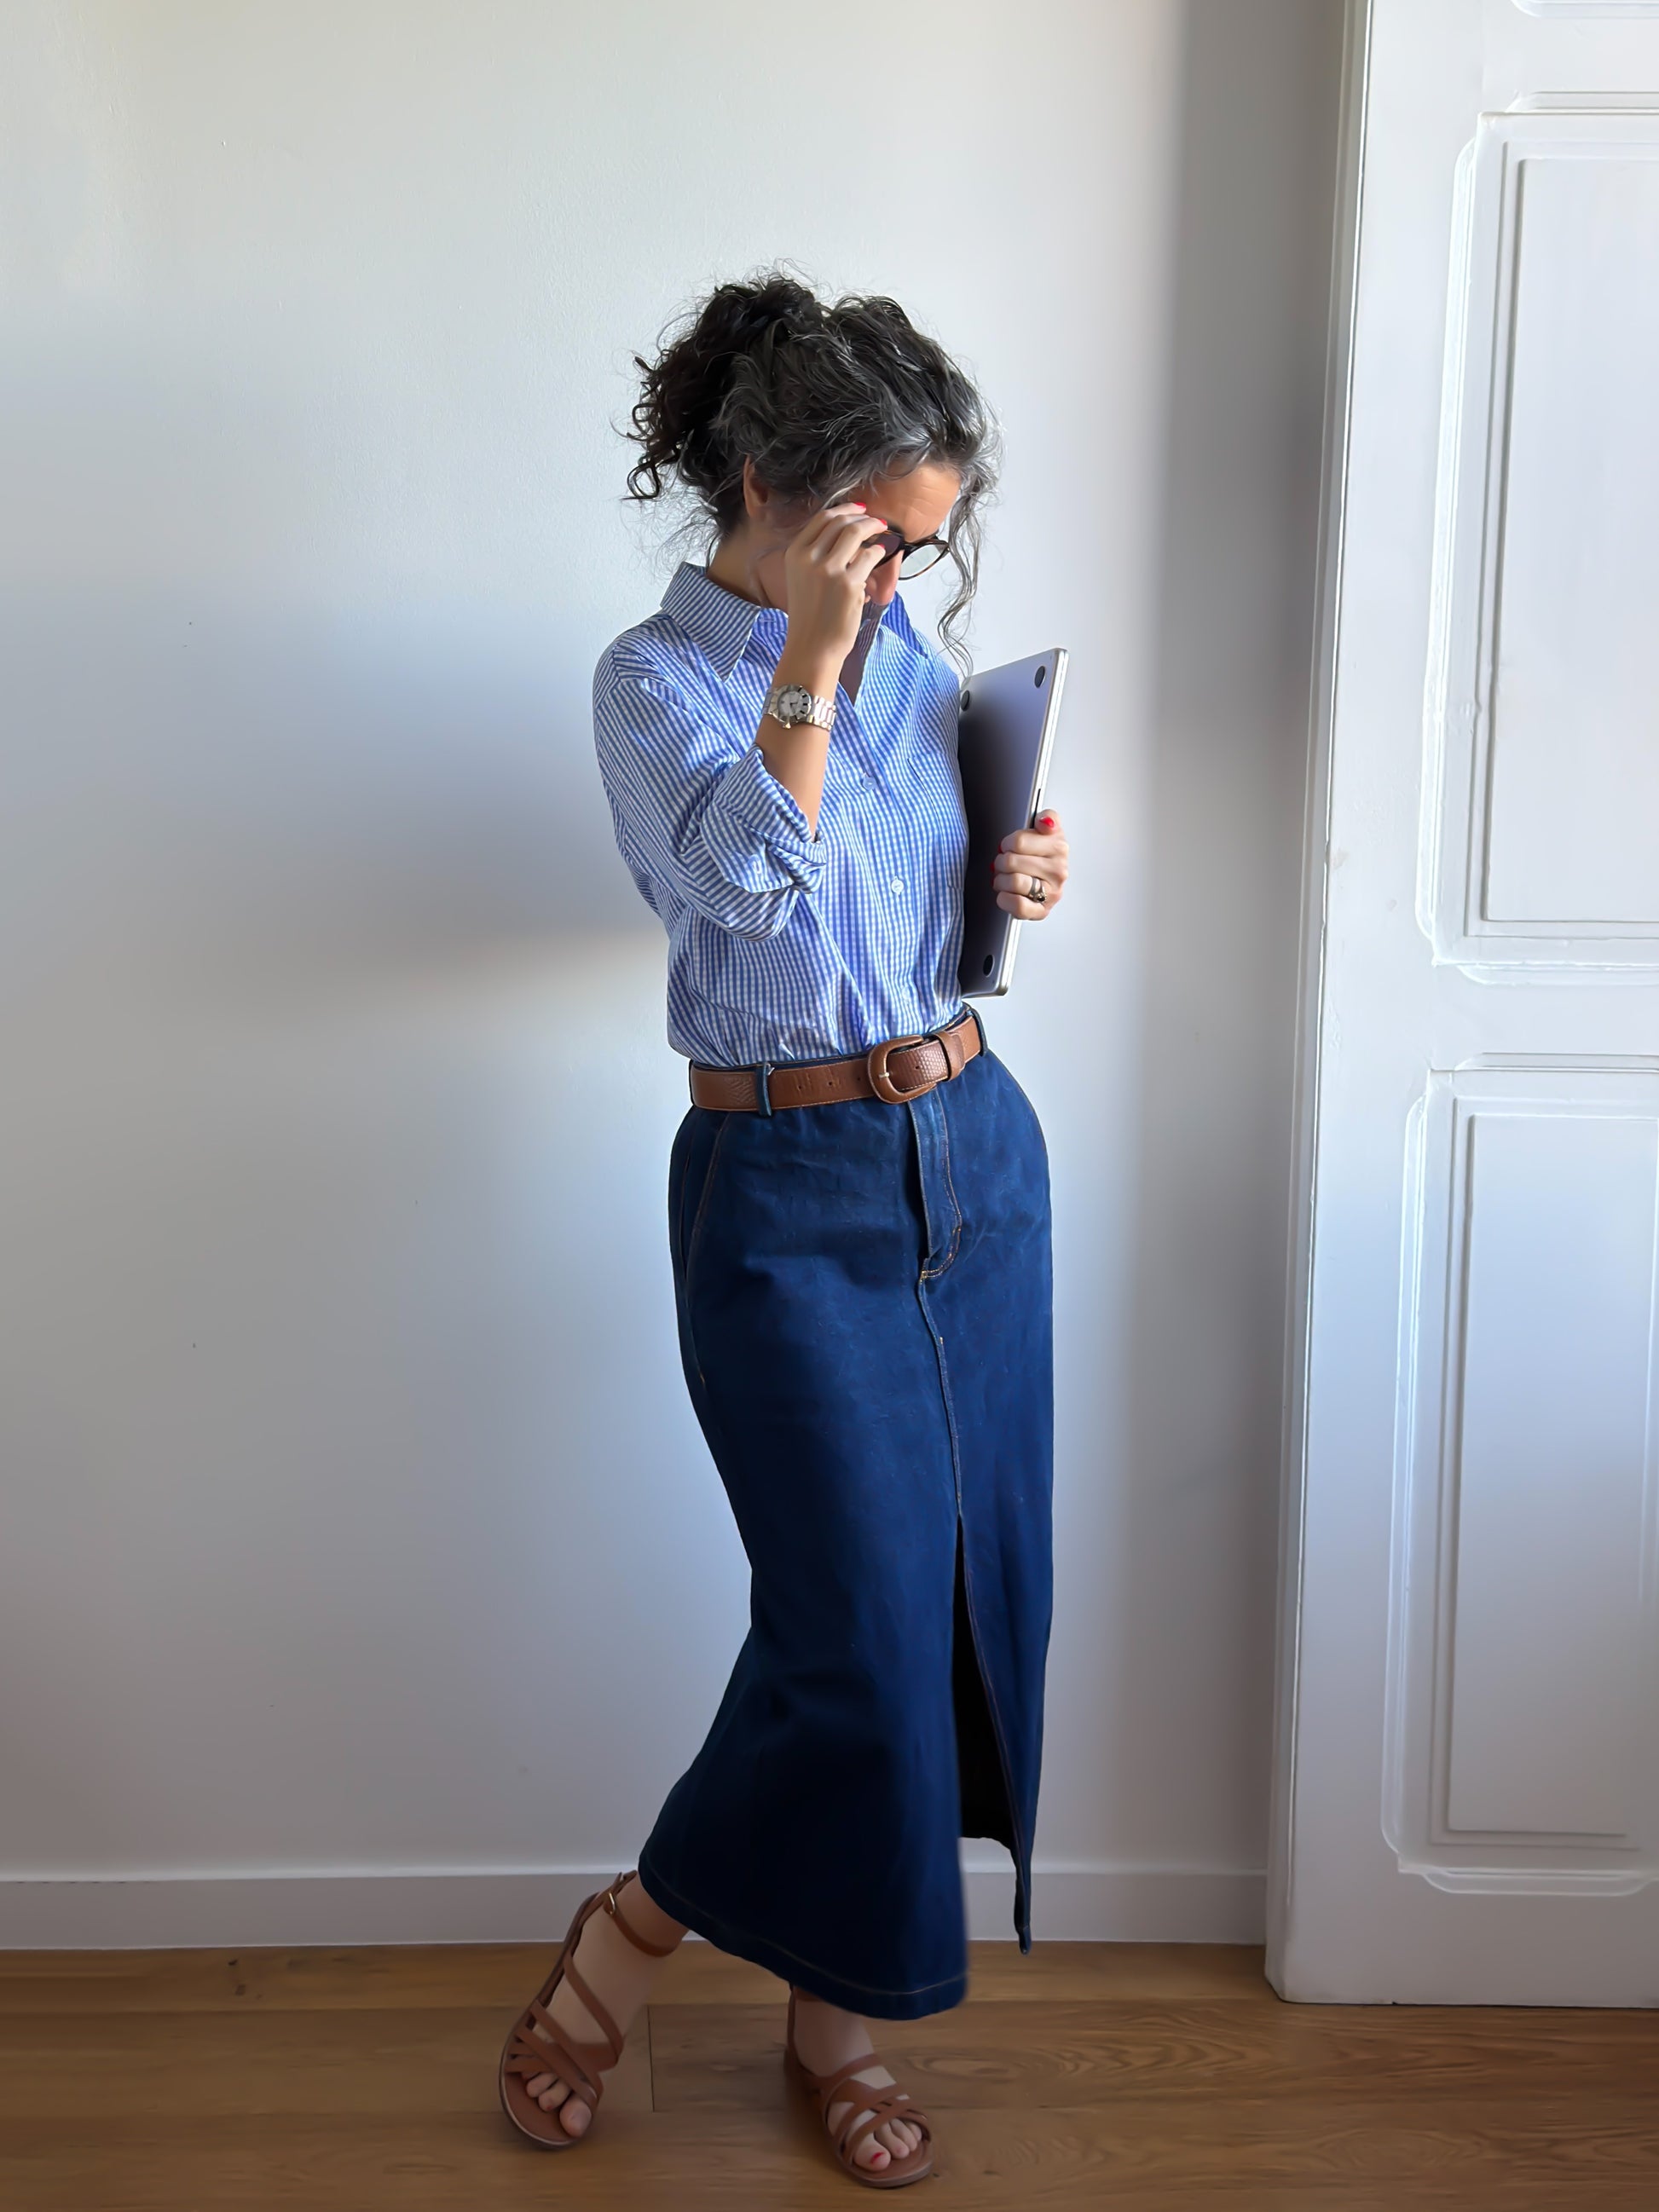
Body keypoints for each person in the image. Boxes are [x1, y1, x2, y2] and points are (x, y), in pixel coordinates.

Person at [497, 271, 1069, 2190]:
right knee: (851, 1622)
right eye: (879, 539)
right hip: (783, 1188)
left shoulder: (909, 666)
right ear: (767, 490)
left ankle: (839, 2012)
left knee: (952, 1599)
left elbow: (910, 927)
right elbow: (739, 901)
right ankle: (630, 1936)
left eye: (926, 546)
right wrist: (810, 663)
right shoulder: (650, 683)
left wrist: (1009, 877)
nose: (903, 581)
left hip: (973, 1152)